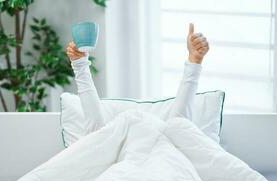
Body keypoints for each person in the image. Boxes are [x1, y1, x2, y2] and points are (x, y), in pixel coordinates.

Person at [66, 23, 209, 133]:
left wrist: (195, 61)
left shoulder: (167, 145)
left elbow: (179, 129)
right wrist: (80, 65)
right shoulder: (111, 147)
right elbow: (97, 137)